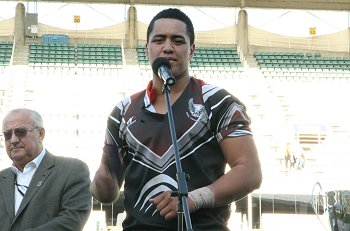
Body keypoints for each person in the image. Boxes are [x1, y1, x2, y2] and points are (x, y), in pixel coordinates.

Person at [91, 8, 262, 231]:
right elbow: (107, 193)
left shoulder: (217, 102)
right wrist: (101, 179)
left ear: (191, 50)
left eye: (178, 41)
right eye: (159, 40)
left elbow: (250, 172)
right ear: (147, 49)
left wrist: (193, 199)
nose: (168, 47)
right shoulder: (123, 111)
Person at [0, 108, 92, 231]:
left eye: (21, 132)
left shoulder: (72, 170)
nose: (13, 140)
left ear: (40, 134)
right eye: (7, 135)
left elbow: (71, 221)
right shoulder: (2, 179)